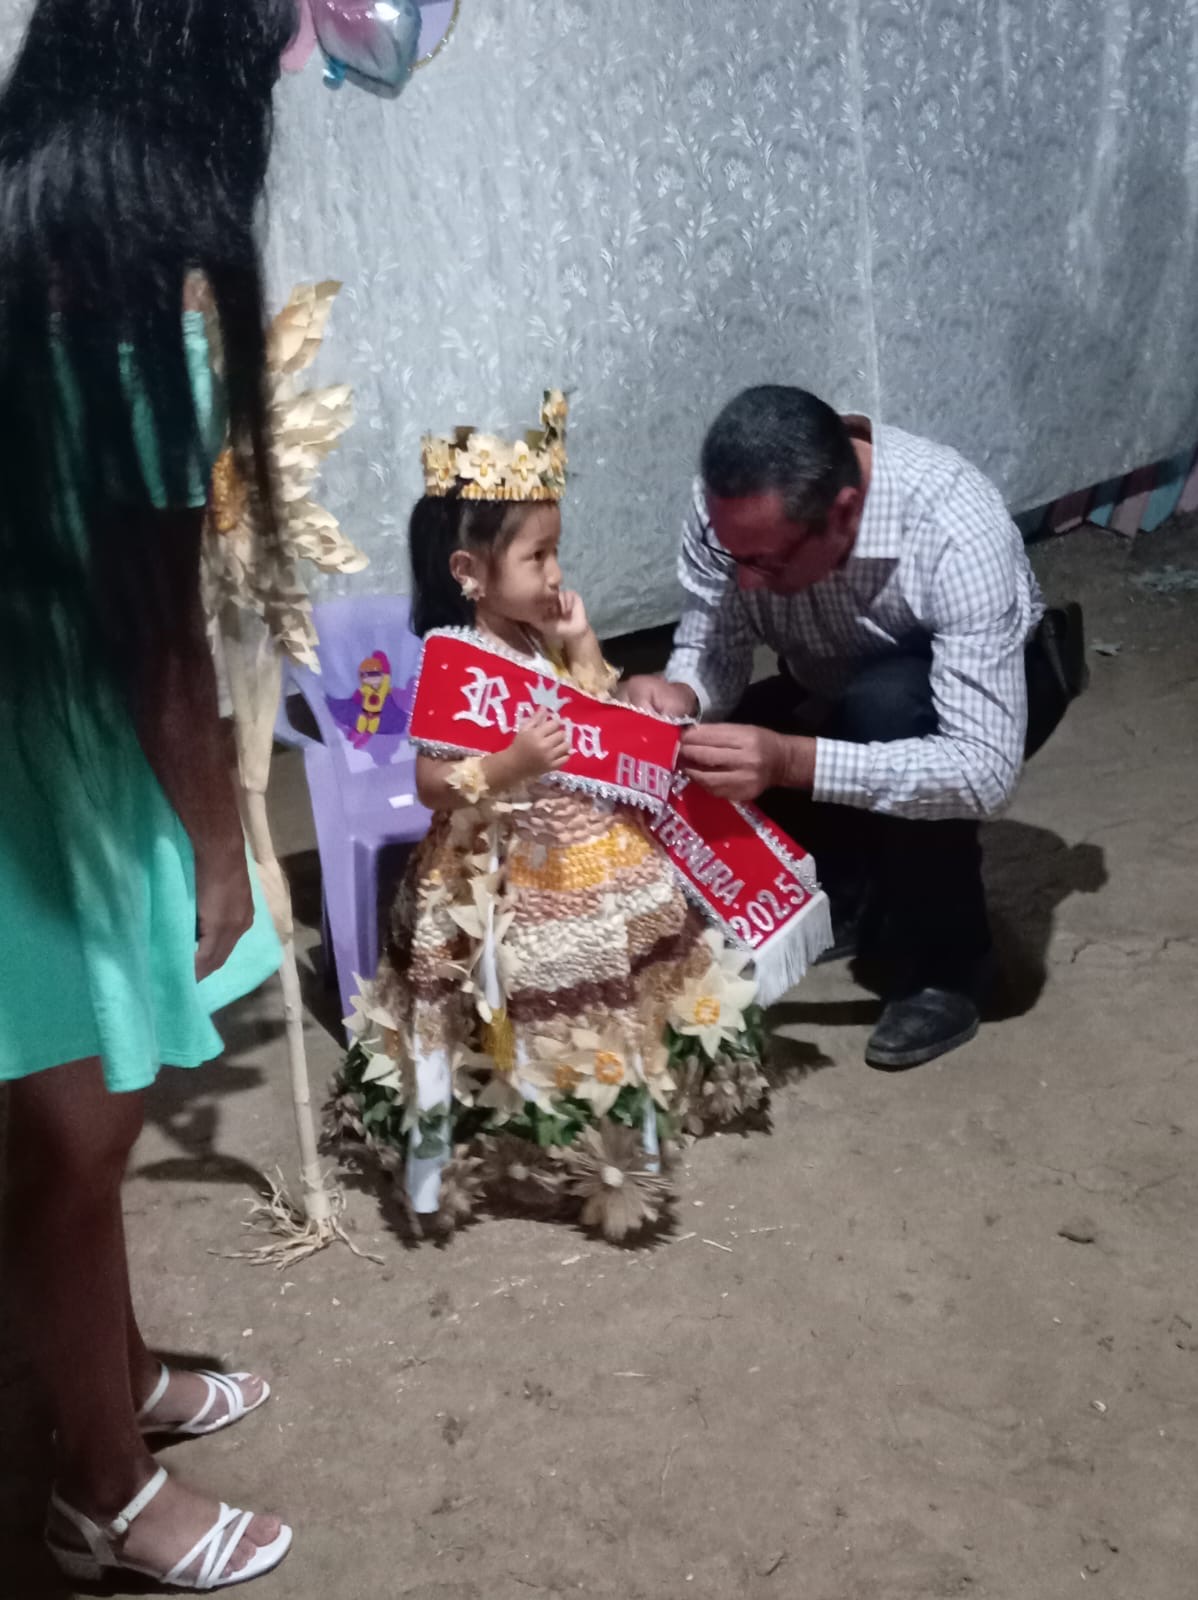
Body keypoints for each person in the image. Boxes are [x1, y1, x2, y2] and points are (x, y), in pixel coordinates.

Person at [0, 2, 299, 1588]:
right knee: (70, 1159)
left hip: (26, 736)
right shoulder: (134, 309)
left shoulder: (19, 242)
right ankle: (102, 1497)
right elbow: (161, 644)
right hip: (57, 773)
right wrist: (218, 849)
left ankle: (117, 1381)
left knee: (73, 1128)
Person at [326, 395, 770, 1241]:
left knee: (615, 985)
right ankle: (469, 1152)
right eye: (538, 556)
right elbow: (431, 782)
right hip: (495, 869)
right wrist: (507, 765)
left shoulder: (542, 635)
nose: (556, 572)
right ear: (469, 573)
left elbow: (602, 715)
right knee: (501, 1003)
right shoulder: (455, 664)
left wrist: (585, 643)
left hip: (588, 847)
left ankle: (624, 1130)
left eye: (557, 550)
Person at [624, 386, 1085, 1070]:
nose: (747, 583)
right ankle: (851, 889)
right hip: (833, 690)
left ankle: (950, 963)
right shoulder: (734, 510)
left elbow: (983, 772)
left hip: (982, 704)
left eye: (768, 562)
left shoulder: (954, 525)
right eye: (733, 557)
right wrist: (681, 694)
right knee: (722, 751)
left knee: (885, 709)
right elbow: (715, 641)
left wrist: (791, 761)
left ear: (844, 513)